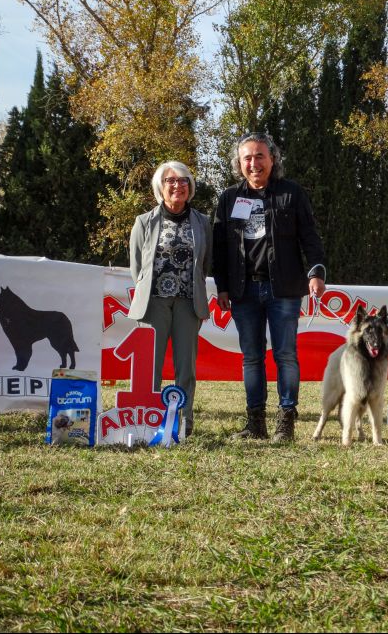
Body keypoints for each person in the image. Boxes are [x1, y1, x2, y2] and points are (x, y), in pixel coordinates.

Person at [213, 132, 326, 442]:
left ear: (273, 159)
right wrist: (222, 287)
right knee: (251, 357)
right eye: (247, 158)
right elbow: (220, 248)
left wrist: (316, 272)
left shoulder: (292, 193)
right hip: (243, 291)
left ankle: (285, 423)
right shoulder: (228, 198)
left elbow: (310, 238)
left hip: (284, 290)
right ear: (239, 164)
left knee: (285, 355)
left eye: (260, 156)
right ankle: (255, 424)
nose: (254, 163)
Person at [128, 161, 212, 435]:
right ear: (160, 187)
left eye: (184, 180)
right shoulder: (143, 221)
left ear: (191, 186)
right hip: (153, 303)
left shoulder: (203, 222)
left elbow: (204, 264)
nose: (178, 185)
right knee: (150, 366)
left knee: (185, 367)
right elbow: (137, 267)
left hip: (189, 302)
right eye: (171, 181)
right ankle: (146, 420)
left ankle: (183, 424)